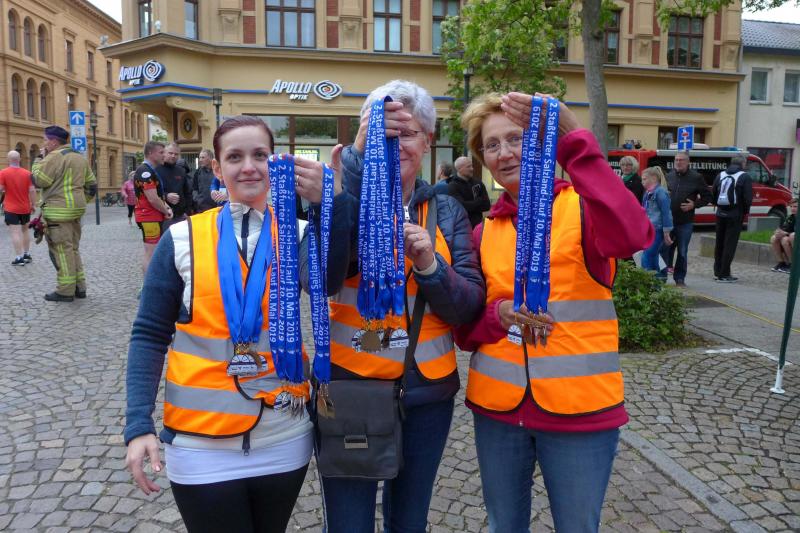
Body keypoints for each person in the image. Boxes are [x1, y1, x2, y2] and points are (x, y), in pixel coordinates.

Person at [125, 115, 334, 532]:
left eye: (260, 155)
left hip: (283, 433)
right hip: (199, 440)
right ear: (217, 168)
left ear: (275, 162)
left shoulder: (299, 234)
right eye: (235, 157)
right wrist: (137, 424)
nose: (249, 166)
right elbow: (149, 333)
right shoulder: (181, 238)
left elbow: (333, 281)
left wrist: (329, 200)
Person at [455, 92, 652, 533]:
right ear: (483, 160)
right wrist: (497, 316)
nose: (505, 152)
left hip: (581, 412)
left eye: (516, 139)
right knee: (503, 526)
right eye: (491, 145)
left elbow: (634, 234)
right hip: (498, 413)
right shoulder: (484, 231)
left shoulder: (582, 208)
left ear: (541, 144)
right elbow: (464, 331)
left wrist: (572, 136)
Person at [303, 79, 485, 533]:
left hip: (426, 395)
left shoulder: (446, 210)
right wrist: (357, 164)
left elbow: (466, 307)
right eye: (384, 132)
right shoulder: (337, 200)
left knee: (409, 521)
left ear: (427, 141)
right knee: (348, 525)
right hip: (350, 389)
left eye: (407, 133)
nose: (396, 143)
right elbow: (320, 278)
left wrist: (430, 266)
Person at [32, 125, 97, 302]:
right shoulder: (79, 157)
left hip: (57, 213)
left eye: (45, 140)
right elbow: (92, 185)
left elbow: (39, 180)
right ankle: (80, 287)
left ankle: (65, 291)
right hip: (76, 211)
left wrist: (38, 160)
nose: (44, 143)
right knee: (73, 248)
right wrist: (80, 201)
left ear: (54, 142)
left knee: (61, 251)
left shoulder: (53, 157)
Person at [660, 151, 710, 287]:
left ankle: (680, 278)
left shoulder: (696, 177)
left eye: (681, 160)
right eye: (676, 160)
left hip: (685, 221)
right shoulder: (669, 176)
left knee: (682, 251)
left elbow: (708, 197)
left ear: (688, 162)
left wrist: (694, 204)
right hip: (668, 221)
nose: (678, 162)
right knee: (664, 249)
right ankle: (661, 277)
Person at [133, 141, 172, 277]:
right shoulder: (145, 172)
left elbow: (157, 197)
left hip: (151, 217)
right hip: (149, 217)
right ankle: (148, 284)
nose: (164, 155)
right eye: (161, 152)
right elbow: (153, 198)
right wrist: (166, 211)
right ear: (150, 153)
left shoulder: (149, 171)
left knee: (152, 252)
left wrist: (166, 207)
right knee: (151, 253)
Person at [711, 155, 753, 283]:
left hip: (720, 213)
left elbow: (714, 193)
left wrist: (719, 206)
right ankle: (724, 274)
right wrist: (744, 212)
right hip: (735, 214)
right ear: (743, 164)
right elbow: (747, 198)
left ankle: (717, 271)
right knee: (730, 244)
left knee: (719, 243)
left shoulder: (721, 175)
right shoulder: (744, 176)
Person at [0, 150, 36, 265]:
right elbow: (32, 190)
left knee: (15, 232)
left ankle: (19, 258)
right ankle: (27, 254)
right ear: (19, 159)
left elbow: (0, 189)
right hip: (25, 207)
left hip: (11, 208)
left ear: (8, 160)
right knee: (25, 230)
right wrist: (33, 204)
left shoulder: (3, 173)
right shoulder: (27, 173)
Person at [640, 166, 673, 277]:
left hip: (657, 229)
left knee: (647, 256)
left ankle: (649, 279)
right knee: (653, 256)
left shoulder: (660, 192)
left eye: (644, 179)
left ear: (654, 178)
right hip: (649, 228)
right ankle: (658, 280)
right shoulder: (647, 193)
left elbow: (666, 212)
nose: (642, 182)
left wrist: (667, 232)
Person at [158, 142, 193, 231]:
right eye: (170, 153)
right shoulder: (156, 169)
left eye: (176, 154)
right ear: (164, 153)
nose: (173, 156)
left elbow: (187, 192)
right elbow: (151, 193)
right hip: (162, 215)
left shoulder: (181, 171)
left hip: (180, 215)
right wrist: (166, 196)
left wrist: (187, 212)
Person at [447, 156, 491, 228]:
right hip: (461, 228)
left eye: (472, 166)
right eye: (468, 167)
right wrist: (478, 201)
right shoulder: (452, 186)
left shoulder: (478, 183)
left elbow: (487, 206)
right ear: (459, 169)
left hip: (478, 227)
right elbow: (460, 207)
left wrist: (469, 205)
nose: (472, 169)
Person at [771, 200, 797, 273]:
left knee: (792, 236)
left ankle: (795, 264)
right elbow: (785, 228)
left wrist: (786, 233)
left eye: (795, 206)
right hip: (791, 236)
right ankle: (782, 263)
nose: (792, 208)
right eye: (791, 206)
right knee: (774, 238)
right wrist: (778, 232)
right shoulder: (791, 217)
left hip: (794, 237)